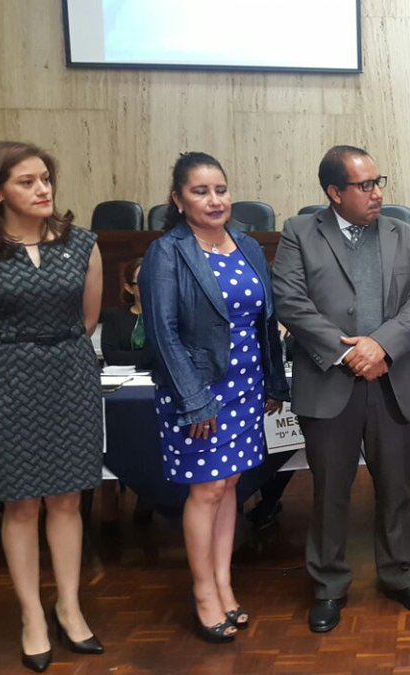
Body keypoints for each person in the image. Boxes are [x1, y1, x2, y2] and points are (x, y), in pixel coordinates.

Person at [0, 141, 105, 672]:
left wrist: (52, 354)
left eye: (45, 179)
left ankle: (69, 606)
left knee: (67, 500)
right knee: (20, 505)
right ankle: (32, 615)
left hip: (70, 378)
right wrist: (14, 364)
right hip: (4, 385)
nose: (42, 189)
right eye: (27, 181)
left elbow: (87, 320)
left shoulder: (82, 243)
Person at [272, 145, 410, 634]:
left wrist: (380, 346)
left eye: (377, 182)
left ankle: (401, 575)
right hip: (330, 382)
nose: (377, 193)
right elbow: (290, 302)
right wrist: (347, 353)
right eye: (365, 186)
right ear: (334, 192)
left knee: (397, 488)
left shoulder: (405, 235)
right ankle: (329, 585)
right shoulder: (300, 233)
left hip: (392, 381)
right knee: (330, 492)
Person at [140, 152, 290, 644]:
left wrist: (273, 383)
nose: (214, 200)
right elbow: (163, 334)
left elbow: (266, 322)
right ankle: (204, 593)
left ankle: (225, 584)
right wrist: (194, 401)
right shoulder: (168, 252)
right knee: (206, 491)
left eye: (221, 190)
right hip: (197, 391)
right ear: (178, 200)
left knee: (229, 487)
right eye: (200, 191)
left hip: (246, 387)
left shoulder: (247, 246)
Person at [99, 257, 152, 369]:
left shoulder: (170, 316)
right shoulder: (114, 316)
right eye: (142, 281)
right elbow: (111, 356)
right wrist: (151, 357)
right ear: (129, 288)